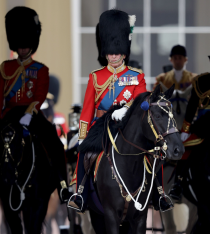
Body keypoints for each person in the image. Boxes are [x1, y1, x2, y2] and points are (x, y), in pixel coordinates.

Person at [68, 9, 146, 213]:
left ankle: (159, 192)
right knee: (84, 153)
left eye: (117, 52)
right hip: (101, 126)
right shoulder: (96, 77)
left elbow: (143, 104)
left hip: (128, 126)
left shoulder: (137, 76)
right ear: (105, 52)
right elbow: (87, 110)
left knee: (152, 152)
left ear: (124, 51)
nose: (113, 56)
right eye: (110, 52)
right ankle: (80, 193)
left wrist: (127, 110)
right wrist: (83, 136)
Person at [0, 7, 69, 202]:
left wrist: (30, 113)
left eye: (26, 44)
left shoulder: (40, 69)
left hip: (31, 114)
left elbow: (39, 96)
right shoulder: (5, 68)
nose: (22, 48)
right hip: (9, 115)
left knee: (54, 144)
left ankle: (63, 185)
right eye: (19, 44)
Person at [169, 33, 210, 201]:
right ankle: (178, 184)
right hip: (204, 125)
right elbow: (192, 105)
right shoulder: (202, 81)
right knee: (185, 147)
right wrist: (185, 129)